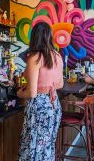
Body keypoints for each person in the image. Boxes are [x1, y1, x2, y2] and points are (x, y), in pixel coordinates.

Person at [17, 22, 64, 160]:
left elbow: (31, 93)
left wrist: (20, 93)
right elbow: (60, 83)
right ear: (49, 36)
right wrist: (47, 86)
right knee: (47, 145)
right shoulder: (58, 56)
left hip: (39, 106)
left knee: (34, 145)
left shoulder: (34, 58)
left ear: (34, 37)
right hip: (54, 105)